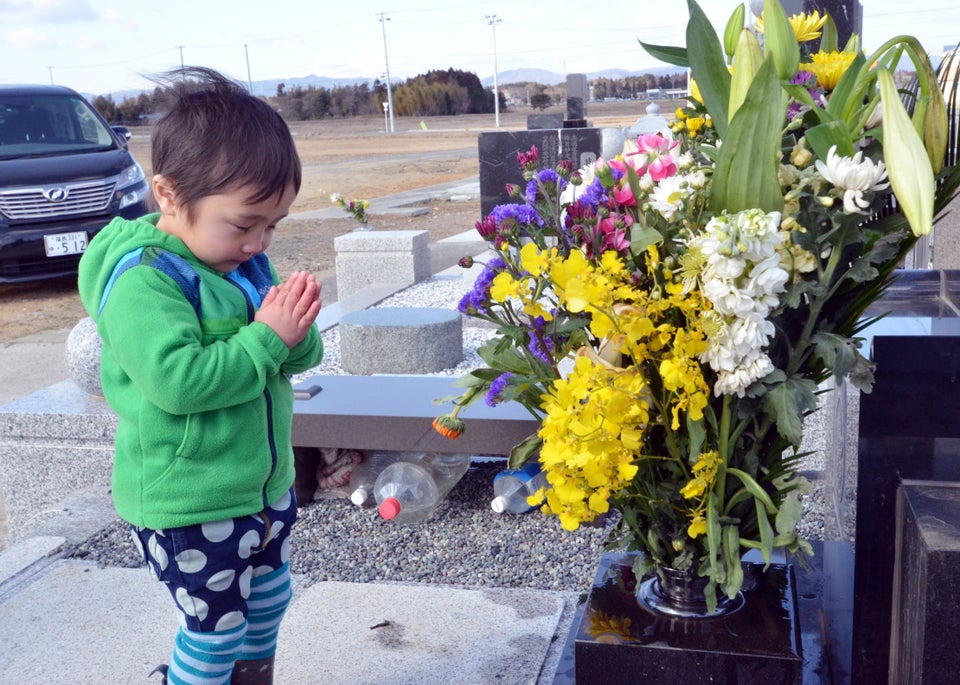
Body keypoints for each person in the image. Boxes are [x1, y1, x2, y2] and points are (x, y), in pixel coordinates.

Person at [78, 67, 324, 685]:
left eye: (274, 225)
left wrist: (294, 324)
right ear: (168, 195)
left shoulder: (241, 263)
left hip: (261, 490)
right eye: (244, 224)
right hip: (190, 501)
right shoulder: (145, 282)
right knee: (215, 633)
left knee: (268, 606)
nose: (259, 242)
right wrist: (268, 337)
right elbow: (178, 382)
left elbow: (294, 357)